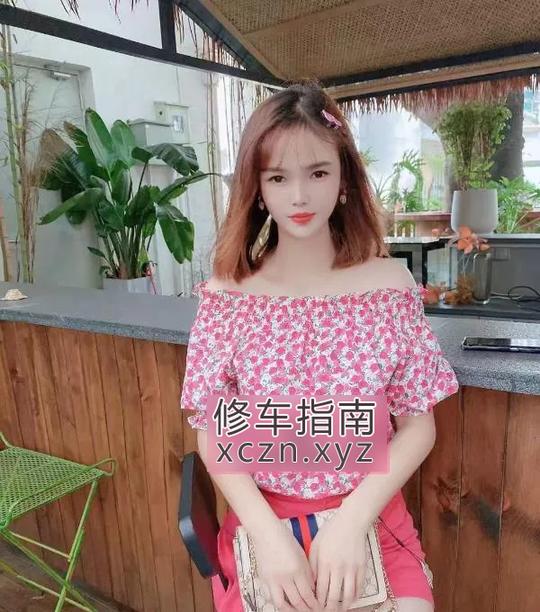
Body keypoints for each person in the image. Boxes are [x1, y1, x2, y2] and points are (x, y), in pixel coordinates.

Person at [180, 80, 459, 612]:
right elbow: (214, 434)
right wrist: (269, 535)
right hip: (265, 529)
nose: (300, 197)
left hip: (371, 519)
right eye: (278, 177)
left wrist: (351, 521)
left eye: (318, 173)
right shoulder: (226, 297)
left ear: (344, 178)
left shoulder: (389, 287)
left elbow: (418, 426)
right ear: (257, 188)